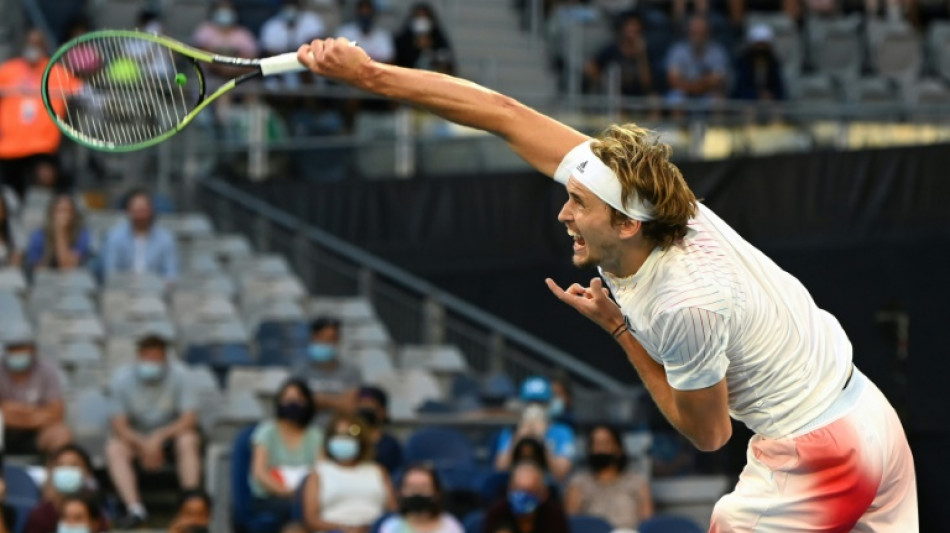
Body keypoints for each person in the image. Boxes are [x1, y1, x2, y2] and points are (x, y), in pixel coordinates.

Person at [295, 37, 918, 530]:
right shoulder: (661, 201)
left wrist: (620, 330)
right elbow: (502, 114)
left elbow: (710, 435)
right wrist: (370, 75)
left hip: (820, 455)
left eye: (578, 204)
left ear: (625, 224)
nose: (563, 213)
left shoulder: (683, 305)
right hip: (871, 416)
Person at [106, 335, 202, 528]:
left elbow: (189, 419)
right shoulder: (121, 378)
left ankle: (190, 504)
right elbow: (119, 425)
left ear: (165, 358)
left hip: (171, 435)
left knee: (189, 440)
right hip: (136, 438)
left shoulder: (182, 375)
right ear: (139, 357)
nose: (152, 363)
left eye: (157, 358)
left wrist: (159, 438)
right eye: (148, 358)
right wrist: (144, 444)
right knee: (114, 448)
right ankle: (135, 510)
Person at [0, 29, 78, 200]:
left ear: (44, 46)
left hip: (43, 145)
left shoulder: (56, 72)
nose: (33, 47)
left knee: (46, 181)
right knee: (9, 195)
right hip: (9, 147)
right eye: (30, 43)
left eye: (37, 43)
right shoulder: (8, 70)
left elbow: (81, 91)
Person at [301, 413, 396, 532]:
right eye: (338, 435)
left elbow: (393, 512)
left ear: (361, 440)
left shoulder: (378, 471)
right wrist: (346, 529)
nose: (343, 440)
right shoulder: (318, 473)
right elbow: (311, 519)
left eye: (349, 435)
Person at [249, 379, 322, 522]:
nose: (293, 404)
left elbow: (320, 471)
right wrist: (285, 492)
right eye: (288, 399)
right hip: (269, 497)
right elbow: (259, 472)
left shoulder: (316, 435)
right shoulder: (266, 432)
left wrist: (303, 494)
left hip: (305, 496)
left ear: (308, 403)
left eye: (299, 400)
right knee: (298, 510)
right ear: (279, 402)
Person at [564, 424, 653, 530]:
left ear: (618, 449)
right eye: (596, 444)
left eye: (606, 443)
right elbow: (571, 524)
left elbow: (648, 524)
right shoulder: (579, 483)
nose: (601, 449)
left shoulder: (636, 482)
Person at [0, 328, 73, 455]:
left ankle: (54, 467)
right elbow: (2, 414)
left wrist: (15, 411)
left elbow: (57, 414)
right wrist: (35, 413)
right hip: (4, 431)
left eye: (21, 348)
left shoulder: (48, 371)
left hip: (38, 433)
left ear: (33, 349)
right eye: (13, 348)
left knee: (61, 434)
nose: (17, 352)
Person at [492, 376, 575, 482]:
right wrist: (519, 436)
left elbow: (561, 475)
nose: (534, 409)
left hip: (549, 487)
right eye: (529, 404)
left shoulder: (562, 432)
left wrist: (542, 438)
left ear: (549, 405)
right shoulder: (510, 431)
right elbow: (500, 469)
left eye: (540, 404)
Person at [24, 445, 107, 533]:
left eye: (73, 465)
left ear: (87, 472)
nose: (67, 470)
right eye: (61, 465)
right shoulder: (40, 515)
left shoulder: (97, 513)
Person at [101, 190, 178, 282]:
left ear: (151, 211)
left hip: (154, 287)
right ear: (129, 211)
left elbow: (171, 273)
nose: (140, 216)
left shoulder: (165, 239)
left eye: (143, 211)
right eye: (137, 211)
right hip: (123, 287)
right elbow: (110, 271)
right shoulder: (115, 237)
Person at [294, 317, 362, 415]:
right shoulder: (299, 370)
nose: (325, 342)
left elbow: (350, 407)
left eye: (330, 339)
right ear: (312, 338)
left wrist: (320, 399)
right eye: (321, 338)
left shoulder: (352, 371)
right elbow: (295, 403)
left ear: (337, 340)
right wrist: (338, 401)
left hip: (339, 424)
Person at [482, 461, 569, 533]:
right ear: (509, 489)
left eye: (529, 491)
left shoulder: (554, 516)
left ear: (543, 494)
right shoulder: (497, 513)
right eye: (517, 489)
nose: (522, 496)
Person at [584, 12, 655, 98]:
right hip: (614, 94)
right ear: (623, 28)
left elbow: (646, 83)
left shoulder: (645, 51)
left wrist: (641, 55)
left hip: (636, 95)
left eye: (636, 26)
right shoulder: (612, 49)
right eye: (630, 26)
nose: (633, 29)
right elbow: (590, 68)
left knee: (654, 99)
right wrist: (605, 82)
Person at [665, 15, 730, 107]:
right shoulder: (678, 50)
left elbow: (718, 81)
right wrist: (700, 84)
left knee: (718, 99)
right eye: (694, 31)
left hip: (707, 93)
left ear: (708, 32)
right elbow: (673, 81)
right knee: (676, 99)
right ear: (688, 31)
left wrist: (693, 86)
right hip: (684, 92)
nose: (697, 35)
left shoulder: (718, 52)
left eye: (701, 31)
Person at [378, 464, 463, 533]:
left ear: (436, 493)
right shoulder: (391, 527)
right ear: (401, 492)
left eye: (424, 488)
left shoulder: (451, 525)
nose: (417, 493)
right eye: (411, 488)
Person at [260, 0, 327, 88]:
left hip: (307, 67)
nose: (290, 8)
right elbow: (269, 52)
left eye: (293, 3)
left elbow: (317, 44)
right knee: (271, 81)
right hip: (281, 68)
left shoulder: (311, 20)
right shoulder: (271, 26)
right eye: (287, 4)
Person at [192, 1, 259, 87]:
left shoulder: (243, 34)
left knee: (252, 88)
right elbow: (201, 55)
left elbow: (252, 60)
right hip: (209, 77)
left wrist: (232, 71)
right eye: (221, 10)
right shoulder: (204, 30)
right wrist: (222, 69)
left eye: (228, 10)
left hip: (240, 77)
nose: (225, 13)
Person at [25, 194, 91, 272]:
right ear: (52, 214)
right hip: (46, 276)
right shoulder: (39, 235)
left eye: (68, 211)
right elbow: (37, 270)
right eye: (60, 211)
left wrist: (60, 232)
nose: (64, 215)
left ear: (74, 215)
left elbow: (68, 267)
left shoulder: (81, 234)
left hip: (73, 277)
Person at [394, 3, 455, 74]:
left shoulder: (439, 40)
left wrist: (429, 48)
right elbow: (399, 64)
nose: (421, 21)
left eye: (424, 17)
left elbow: (447, 65)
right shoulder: (402, 41)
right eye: (418, 17)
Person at [355, 386, 403, 474]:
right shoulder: (347, 439)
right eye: (361, 409)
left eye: (371, 409)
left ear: (383, 412)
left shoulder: (390, 444)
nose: (366, 414)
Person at [732, 24, 786, 102]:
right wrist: (756, 95)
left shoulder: (774, 63)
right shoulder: (742, 63)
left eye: (764, 45)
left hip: (769, 103)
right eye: (758, 45)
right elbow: (739, 89)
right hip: (748, 102)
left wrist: (771, 95)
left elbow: (780, 89)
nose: (761, 49)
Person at [337, 0, 395, 64]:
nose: (365, 17)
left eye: (368, 14)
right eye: (362, 14)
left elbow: (389, 61)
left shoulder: (383, 36)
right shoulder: (345, 33)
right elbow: (339, 57)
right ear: (357, 14)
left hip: (374, 70)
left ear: (373, 15)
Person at [0, 192, 23, 267]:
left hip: (7, 271)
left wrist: (16, 256)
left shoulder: (12, 232)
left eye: (1, 208)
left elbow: (19, 251)